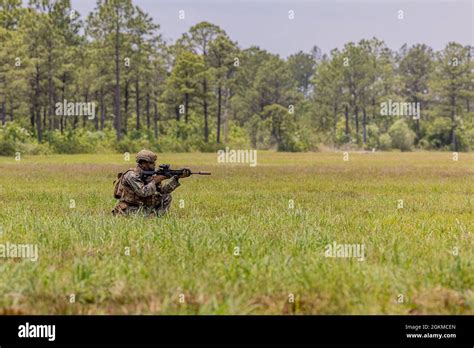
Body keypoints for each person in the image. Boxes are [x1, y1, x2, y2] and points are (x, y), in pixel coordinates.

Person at [112, 149, 190, 216]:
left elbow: (163, 191)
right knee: (141, 215)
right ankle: (150, 216)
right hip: (129, 208)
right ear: (143, 163)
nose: (154, 164)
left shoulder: (150, 174)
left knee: (166, 196)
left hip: (142, 206)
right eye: (152, 163)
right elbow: (142, 192)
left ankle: (157, 218)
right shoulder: (131, 175)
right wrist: (156, 180)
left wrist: (177, 178)